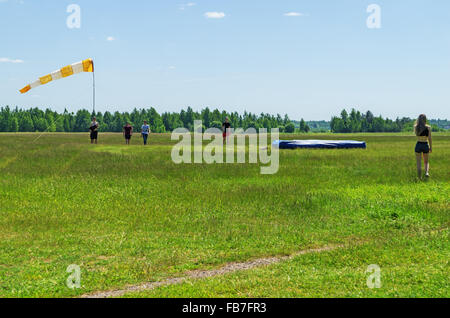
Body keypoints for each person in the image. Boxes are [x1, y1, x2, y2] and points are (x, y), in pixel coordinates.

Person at [414, 114, 433, 179]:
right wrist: (431, 147)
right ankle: (427, 172)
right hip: (425, 144)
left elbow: (416, 135)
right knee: (426, 161)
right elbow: (429, 138)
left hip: (418, 144)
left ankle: (419, 177)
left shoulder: (416, 127)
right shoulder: (428, 127)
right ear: (425, 119)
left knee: (418, 163)